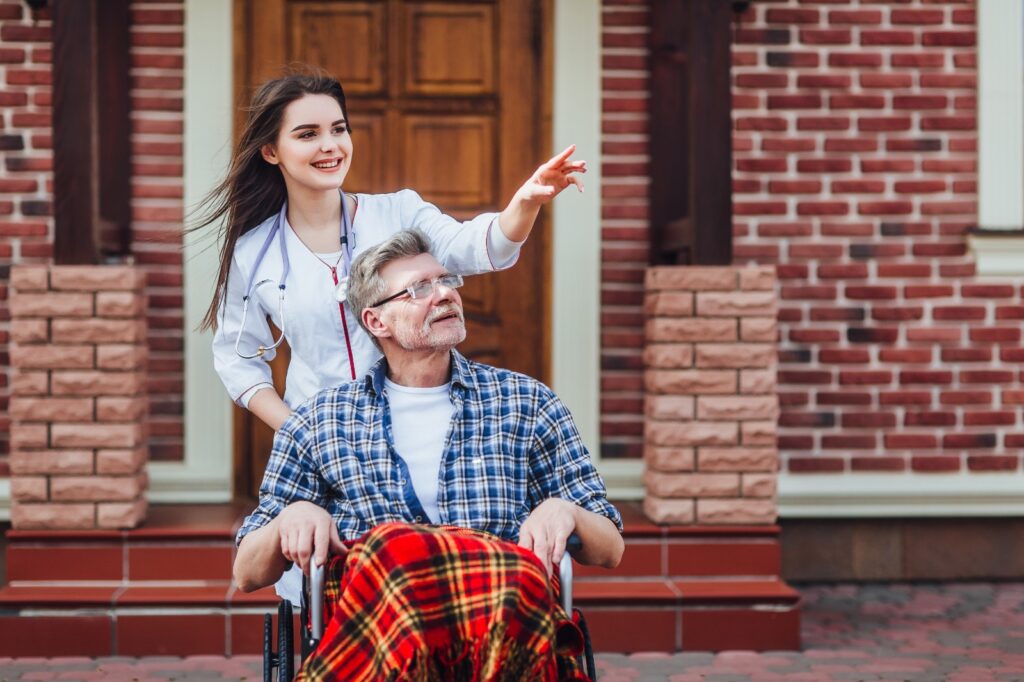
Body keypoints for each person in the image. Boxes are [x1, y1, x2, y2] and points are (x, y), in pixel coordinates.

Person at [233, 230, 623, 680]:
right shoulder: (320, 421)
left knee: (398, 548)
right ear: (377, 322)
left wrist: (565, 511)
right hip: (384, 642)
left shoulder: (527, 403)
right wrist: (291, 517)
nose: (445, 295)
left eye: (447, 281)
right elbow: (247, 573)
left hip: (502, 634)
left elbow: (609, 548)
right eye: (420, 289)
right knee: (389, 551)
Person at [199, 71, 586, 434]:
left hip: (415, 429)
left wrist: (525, 203)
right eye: (307, 134)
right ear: (270, 151)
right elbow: (238, 359)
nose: (330, 145)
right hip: (322, 441)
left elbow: (475, 246)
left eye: (339, 129)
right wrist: (299, 433)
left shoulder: (399, 211)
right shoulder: (254, 251)